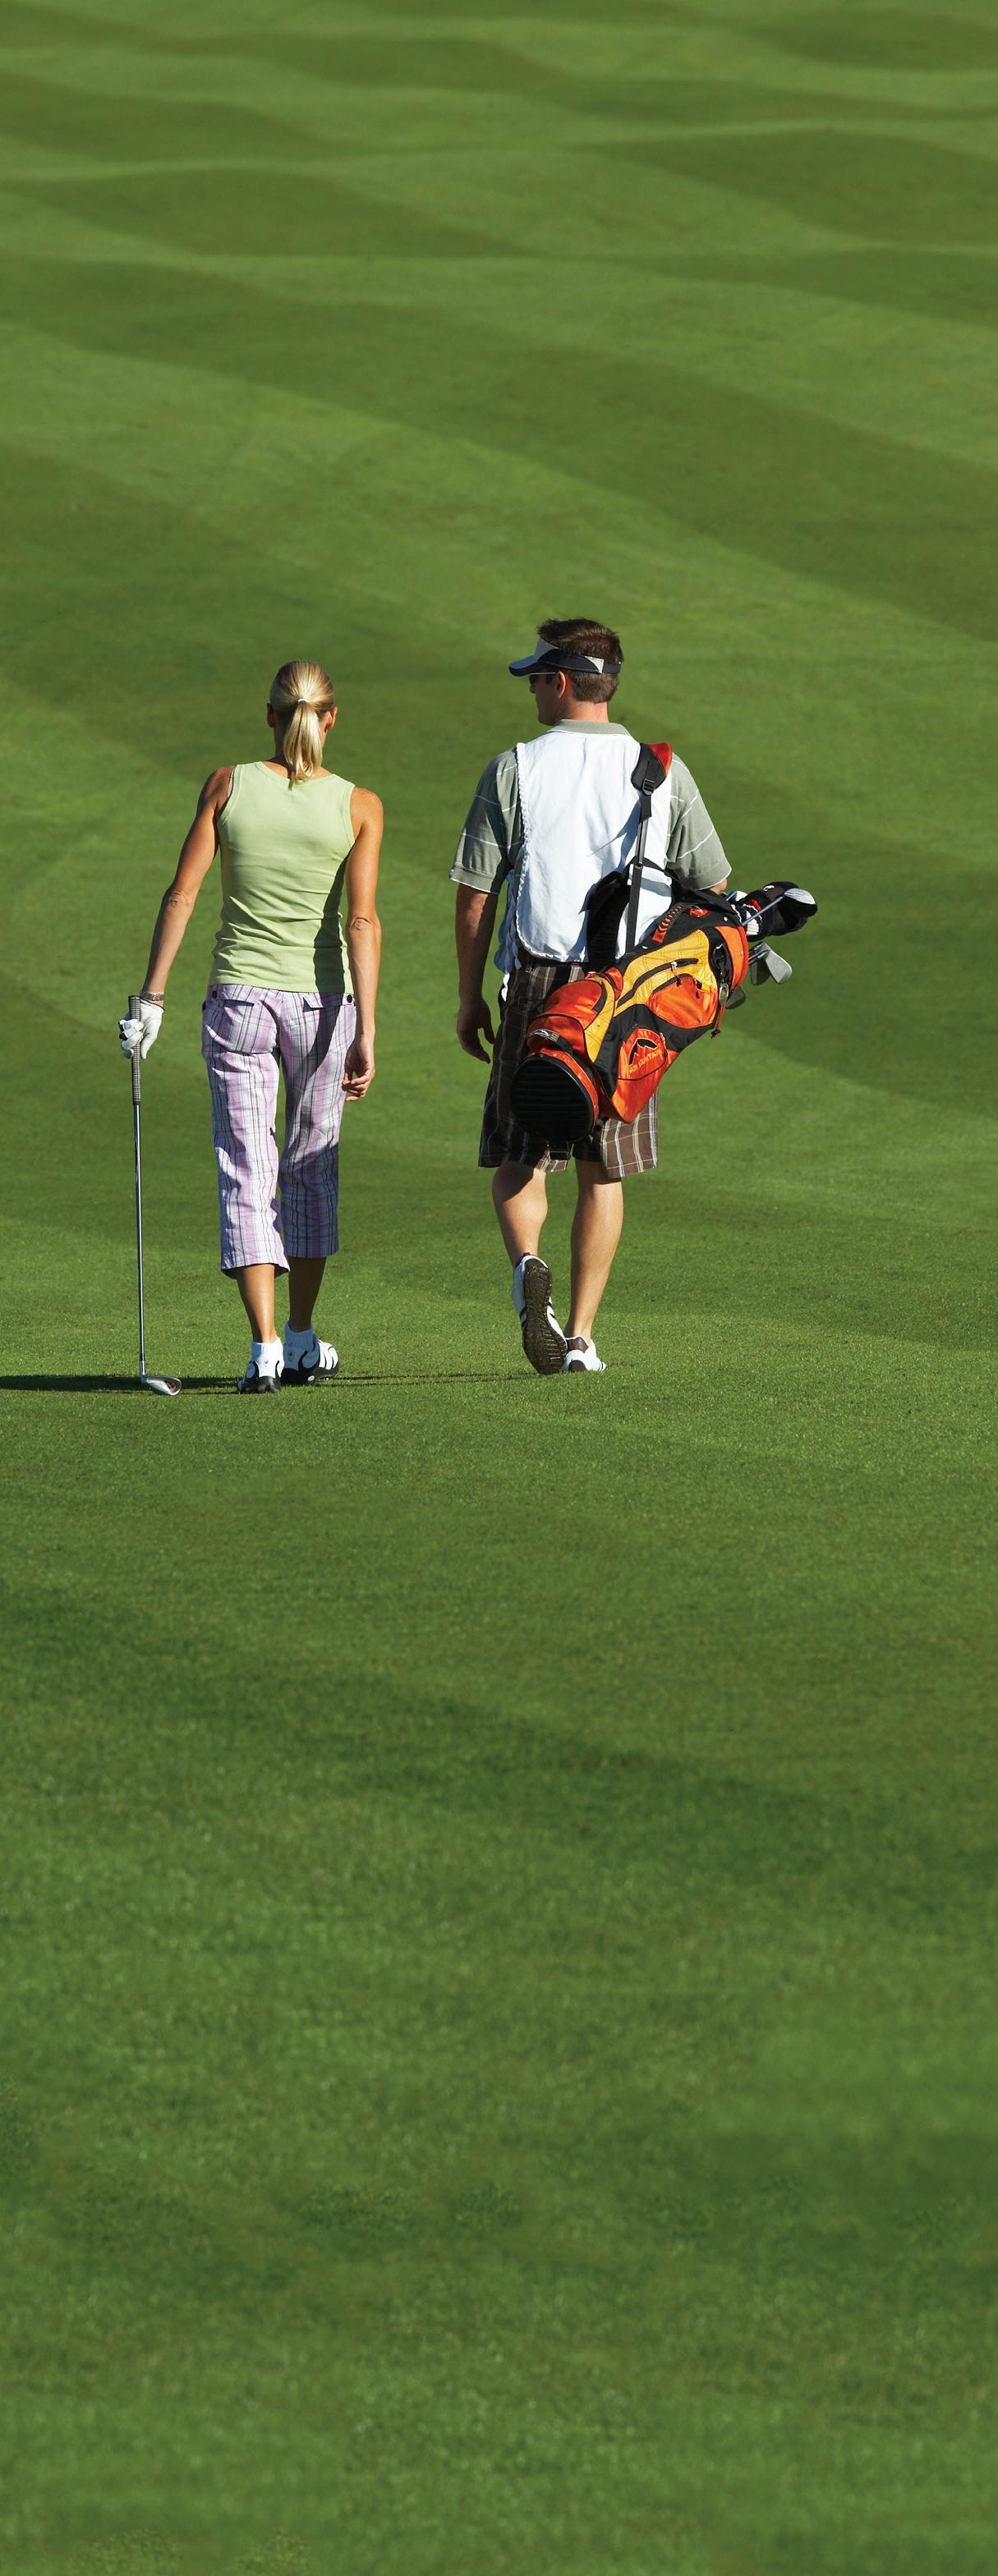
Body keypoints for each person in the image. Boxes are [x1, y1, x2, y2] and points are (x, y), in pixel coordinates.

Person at [451, 617, 729, 1375]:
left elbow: (475, 895)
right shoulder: (661, 770)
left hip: (540, 986)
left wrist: (470, 995)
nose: (532, 691)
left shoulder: (514, 767)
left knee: (521, 1155)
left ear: (562, 682)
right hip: (628, 995)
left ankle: (526, 1267)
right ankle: (578, 1336)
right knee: (603, 1168)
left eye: (537, 679)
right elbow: (712, 887)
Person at [119, 659, 383, 1391]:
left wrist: (151, 999)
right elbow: (361, 920)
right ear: (331, 718)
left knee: (247, 1166)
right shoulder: (360, 804)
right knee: (310, 1167)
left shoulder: (226, 784)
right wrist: (366, 1028)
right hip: (323, 1007)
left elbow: (182, 894)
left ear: (269, 715)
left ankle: (264, 1345)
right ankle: (298, 1337)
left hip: (238, 1002)